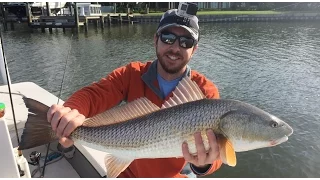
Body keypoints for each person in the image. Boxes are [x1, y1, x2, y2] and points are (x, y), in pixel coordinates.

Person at [47, 7, 223, 178]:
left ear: (194, 49)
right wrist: (68, 113)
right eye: (168, 38)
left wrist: (204, 163)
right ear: (155, 40)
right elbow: (94, 95)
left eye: (186, 42)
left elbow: (220, 155)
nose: (175, 48)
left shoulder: (205, 91)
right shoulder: (132, 73)